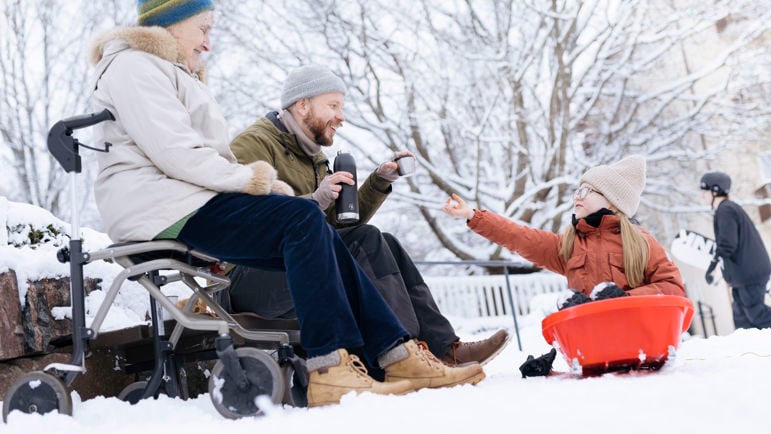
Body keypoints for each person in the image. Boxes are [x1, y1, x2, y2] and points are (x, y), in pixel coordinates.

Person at [88, 0, 484, 408]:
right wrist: (259, 182)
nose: (208, 43)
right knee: (301, 218)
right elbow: (178, 153)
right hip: (160, 208)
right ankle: (332, 365)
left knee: (315, 225)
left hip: (181, 201)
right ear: (172, 20)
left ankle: (395, 353)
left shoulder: (166, 70)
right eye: (203, 29)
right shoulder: (135, 67)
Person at [228, 65, 509, 366]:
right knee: (367, 239)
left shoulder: (314, 157)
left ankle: (442, 348)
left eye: (342, 107)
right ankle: (403, 353)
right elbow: (243, 221)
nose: (341, 117)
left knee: (387, 243)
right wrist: (314, 200)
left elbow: (338, 228)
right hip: (250, 277)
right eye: (333, 106)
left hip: (299, 262)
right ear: (302, 104)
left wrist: (379, 180)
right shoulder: (254, 144)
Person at [442, 155, 685, 301]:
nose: (578, 196)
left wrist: (625, 299)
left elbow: (672, 288)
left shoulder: (640, 242)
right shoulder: (569, 245)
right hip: (594, 342)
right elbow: (520, 237)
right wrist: (473, 216)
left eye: (587, 190)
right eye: (577, 190)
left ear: (612, 200)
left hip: (634, 339)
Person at [700, 171, 771, 330]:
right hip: (742, 275)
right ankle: (749, 349)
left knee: (757, 314)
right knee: (742, 319)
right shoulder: (727, 210)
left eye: (704, 191)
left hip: (750, 273)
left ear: (715, 190)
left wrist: (712, 266)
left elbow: (727, 244)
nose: (702, 196)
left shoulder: (726, 210)